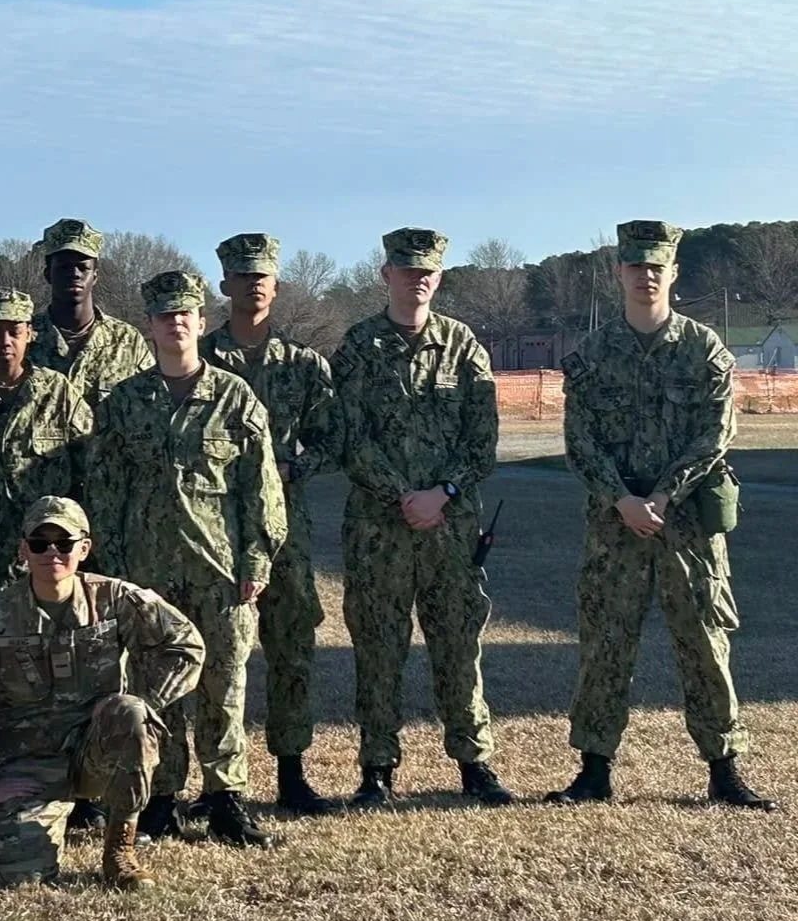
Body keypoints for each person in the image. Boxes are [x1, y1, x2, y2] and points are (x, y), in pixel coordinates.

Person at [547, 221, 775, 810]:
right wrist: (622, 500)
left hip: (689, 524)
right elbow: (581, 442)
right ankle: (593, 771)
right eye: (635, 266)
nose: (645, 276)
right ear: (619, 273)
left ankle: (725, 772)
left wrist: (664, 496)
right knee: (605, 642)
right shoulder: (593, 356)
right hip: (614, 522)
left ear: (673, 273)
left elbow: (715, 434)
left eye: (657, 267)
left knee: (705, 642)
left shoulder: (704, 350)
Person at [87, 270, 287, 847]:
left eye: (186, 314)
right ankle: (161, 800)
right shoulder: (125, 403)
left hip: (219, 571)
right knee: (158, 689)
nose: (176, 323)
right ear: (149, 326)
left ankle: (226, 798)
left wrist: (256, 560)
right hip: (147, 576)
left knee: (225, 685)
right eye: (164, 315)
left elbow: (261, 487)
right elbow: (106, 491)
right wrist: (115, 574)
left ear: (201, 323)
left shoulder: (233, 396)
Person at [0, 496, 204, 890]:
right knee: (18, 876)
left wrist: (146, 704)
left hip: (96, 755)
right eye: (39, 543)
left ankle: (119, 850)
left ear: (84, 549)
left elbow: (186, 645)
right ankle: (21, 832)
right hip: (30, 767)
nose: (51, 552)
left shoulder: (114, 599)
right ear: (23, 550)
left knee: (131, 713)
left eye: (64, 543)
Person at [331, 228, 511, 808]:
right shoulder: (359, 346)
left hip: (451, 528)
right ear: (386, 274)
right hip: (380, 528)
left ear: (440, 276)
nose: (417, 278)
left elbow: (482, 443)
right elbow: (351, 441)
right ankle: (377, 767)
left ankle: (474, 762)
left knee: (458, 644)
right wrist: (403, 495)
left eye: (427, 269)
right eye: (406, 268)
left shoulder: (464, 347)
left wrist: (442, 493)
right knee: (378, 648)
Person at [202, 232, 338, 815]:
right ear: (225, 285)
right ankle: (215, 782)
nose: (253, 285)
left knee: (291, 646)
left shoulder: (304, 365)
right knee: (216, 656)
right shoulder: (201, 360)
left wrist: (296, 464)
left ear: (275, 287)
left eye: (263, 277)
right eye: (242, 276)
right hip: (214, 526)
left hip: (287, 526)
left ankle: (291, 772)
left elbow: (335, 438)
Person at [0, 287, 95, 604]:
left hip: (48, 556)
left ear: (30, 333)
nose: (4, 342)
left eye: (14, 331)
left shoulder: (58, 392)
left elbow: (93, 468)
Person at [27, 218, 153, 408]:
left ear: (95, 276)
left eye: (83, 267)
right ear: (48, 275)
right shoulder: (24, 339)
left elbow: (151, 407)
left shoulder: (127, 341)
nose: (74, 274)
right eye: (64, 267)